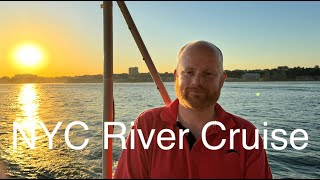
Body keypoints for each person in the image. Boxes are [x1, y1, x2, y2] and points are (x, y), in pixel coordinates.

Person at [113, 40, 273, 178]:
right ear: (176, 76)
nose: (197, 82)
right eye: (189, 72)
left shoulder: (246, 135)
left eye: (208, 74)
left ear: (222, 80)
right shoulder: (147, 125)